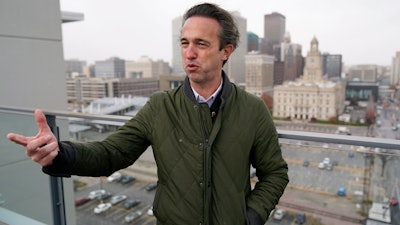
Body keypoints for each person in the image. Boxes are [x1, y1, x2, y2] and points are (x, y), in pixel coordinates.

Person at [7, 3, 288, 225]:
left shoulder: (252, 110)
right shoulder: (159, 106)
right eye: (184, 43)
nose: (189, 53)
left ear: (225, 51)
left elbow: (274, 173)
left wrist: (250, 217)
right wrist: (60, 154)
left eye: (200, 44)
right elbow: (111, 153)